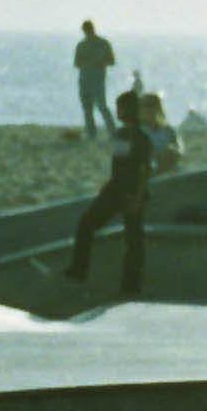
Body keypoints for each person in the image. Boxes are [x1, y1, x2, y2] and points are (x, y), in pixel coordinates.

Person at [62, 88, 152, 295]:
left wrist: (137, 197)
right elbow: (119, 164)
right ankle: (84, 271)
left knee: (131, 240)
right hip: (118, 188)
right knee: (124, 237)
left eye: (121, 107)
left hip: (129, 191)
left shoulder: (139, 138)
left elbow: (143, 170)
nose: (118, 111)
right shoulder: (124, 134)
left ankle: (126, 284)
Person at [72, 20, 118, 138]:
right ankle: (91, 133)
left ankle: (112, 132)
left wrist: (98, 62)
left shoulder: (103, 44)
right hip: (85, 79)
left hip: (97, 79)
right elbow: (77, 63)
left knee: (101, 106)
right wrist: (88, 63)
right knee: (87, 107)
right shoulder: (81, 45)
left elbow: (112, 61)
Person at [139, 93, 182, 172]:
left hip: (170, 171)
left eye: (152, 105)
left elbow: (179, 149)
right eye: (145, 106)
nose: (149, 109)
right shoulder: (135, 132)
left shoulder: (168, 130)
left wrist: (171, 151)